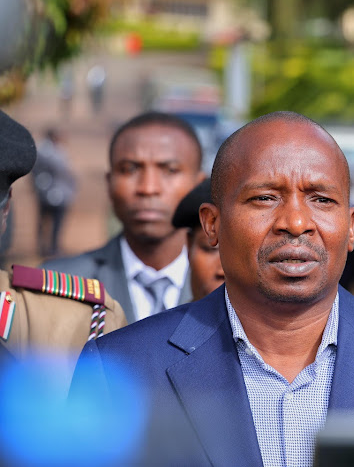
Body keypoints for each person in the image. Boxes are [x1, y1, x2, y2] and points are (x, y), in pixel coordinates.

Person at [70, 111, 354, 466]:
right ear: (212, 224)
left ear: (350, 227)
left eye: (320, 199)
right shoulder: (118, 372)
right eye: (264, 198)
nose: (295, 222)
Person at [0, 109, 126, 383]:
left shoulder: (80, 325)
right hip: (52, 194)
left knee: (52, 228)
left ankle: (49, 244)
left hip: (57, 196)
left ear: (6, 208)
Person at [43, 112, 204, 323]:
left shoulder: (232, 287)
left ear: (199, 184)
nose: (148, 188)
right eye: (129, 169)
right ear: (109, 183)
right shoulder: (58, 286)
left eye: (170, 170)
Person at [171, 179, 224, 300]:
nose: (222, 271)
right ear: (189, 247)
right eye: (211, 249)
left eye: (242, 251)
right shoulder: (165, 319)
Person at [32, 127, 77, 257]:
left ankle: (44, 246)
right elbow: (64, 171)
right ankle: (52, 246)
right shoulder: (53, 153)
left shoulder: (40, 150)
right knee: (55, 221)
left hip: (44, 191)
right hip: (58, 192)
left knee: (43, 220)